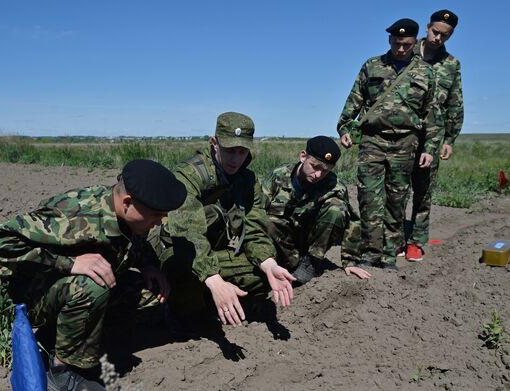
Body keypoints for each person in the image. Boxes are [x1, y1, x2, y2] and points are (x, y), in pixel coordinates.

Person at [0, 159, 187, 391]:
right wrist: (70, 263)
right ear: (127, 203)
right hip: (32, 297)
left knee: (149, 292)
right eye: (156, 216)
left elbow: (133, 241)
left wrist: (148, 265)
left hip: (65, 292)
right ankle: (62, 372)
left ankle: (75, 336)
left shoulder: (128, 215)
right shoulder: (75, 216)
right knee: (90, 285)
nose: (159, 223)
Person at [150, 111, 295, 329]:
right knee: (184, 277)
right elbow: (186, 233)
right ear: (214, 143)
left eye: (242, 151)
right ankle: (187, 309)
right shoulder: (189, 175)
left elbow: (254, 229)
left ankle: (217, 299)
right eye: (229, 151)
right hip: (181, 250)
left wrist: (268, 263)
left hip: (218, 250)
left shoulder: (248, 180)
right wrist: (213, 279)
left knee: (263, 275)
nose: (236, 159)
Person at [336, 18, 442, 270]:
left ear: (415, 42)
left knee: (396, 200)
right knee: (369, 198)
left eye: (406, 44)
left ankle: (388, 255)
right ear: (389, 40)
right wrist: (344, 128)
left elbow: (432, 116)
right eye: (397, 43)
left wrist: (429, 148)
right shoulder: (372, 66)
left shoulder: (425, 73)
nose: (401, 49)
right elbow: (353, 102)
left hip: (406, 143)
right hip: (373, 140)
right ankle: (370, 252)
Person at [261, 136, 371, 284]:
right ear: (303, 156)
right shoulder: (278, 176)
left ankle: (311, 263)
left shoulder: (335, 186)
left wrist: (350, 261)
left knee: (336, 208)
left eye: (325, 171)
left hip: (310, 239)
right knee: (267, 220)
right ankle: (291, 263)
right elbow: (257, 211)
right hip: (281, 241)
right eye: (315, 166)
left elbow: (351, 221)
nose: (318, 175)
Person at [403, 9, 463, 262]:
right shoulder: (404, 52)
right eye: (435, 32)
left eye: (445, 35)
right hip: (402, 134)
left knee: (423, 191)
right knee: (395, 189)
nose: (438, 38)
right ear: (427, 27)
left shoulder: (451, 64)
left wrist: (450, 139)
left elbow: (455, 103)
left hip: (434, 135)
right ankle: (393, 238)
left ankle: (416, 242)